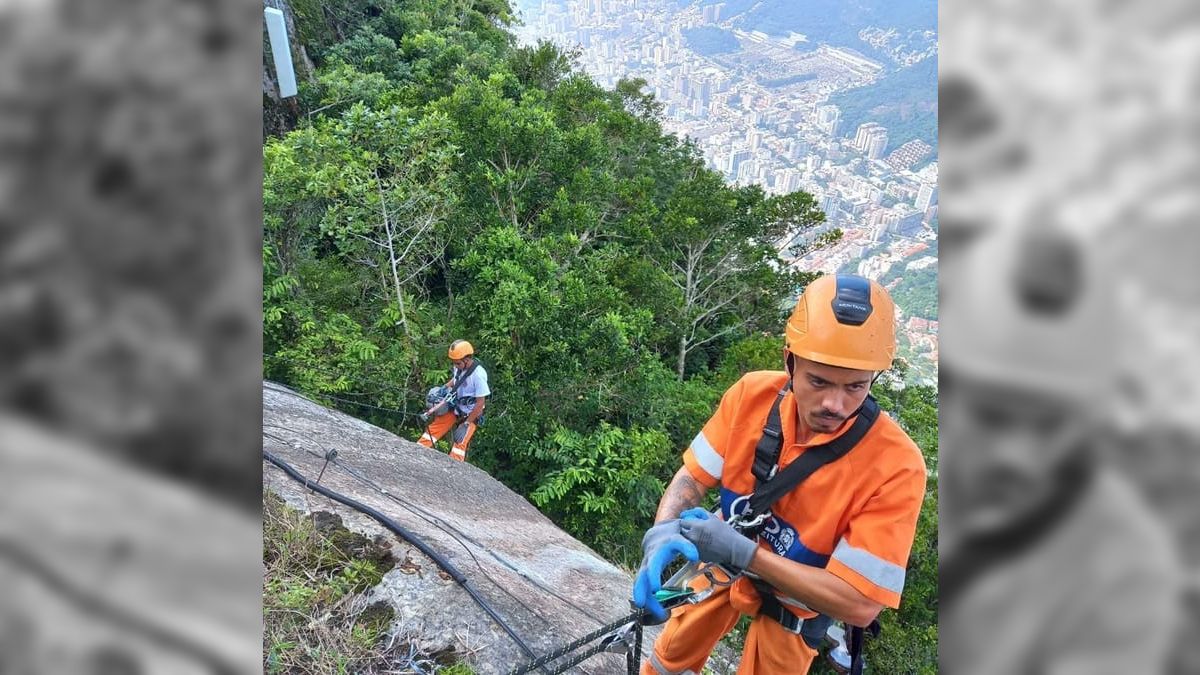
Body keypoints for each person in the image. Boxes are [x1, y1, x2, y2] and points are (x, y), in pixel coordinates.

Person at [631, 274, 928, 675]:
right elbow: (693, 477)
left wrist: (743, 552)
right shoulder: (751, 397)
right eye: (818, 381)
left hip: (798, 604)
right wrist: (663, 532)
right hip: (722, 560)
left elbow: (860, 604)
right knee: (670, 657)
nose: (834, 404)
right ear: (790, 359)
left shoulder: (895, 465)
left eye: (855, 386)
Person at [938, 224, 1182, 674]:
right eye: (993, 416)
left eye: (1051, 424)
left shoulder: (1122, 570)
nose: (1017, 455)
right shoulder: (907, 475)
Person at [416, 340, 489, 462]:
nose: (455, 365)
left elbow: (480, 403)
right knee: (436, 428)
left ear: (467, 360)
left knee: (460, 442)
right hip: (457, 406)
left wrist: (466, 424)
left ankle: (454, 470)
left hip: (471, 412)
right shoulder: (459, 366)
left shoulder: (478, 375)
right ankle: (416, 450)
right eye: (454, 363)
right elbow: (456, 380)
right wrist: (444, 387)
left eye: (458, 363)